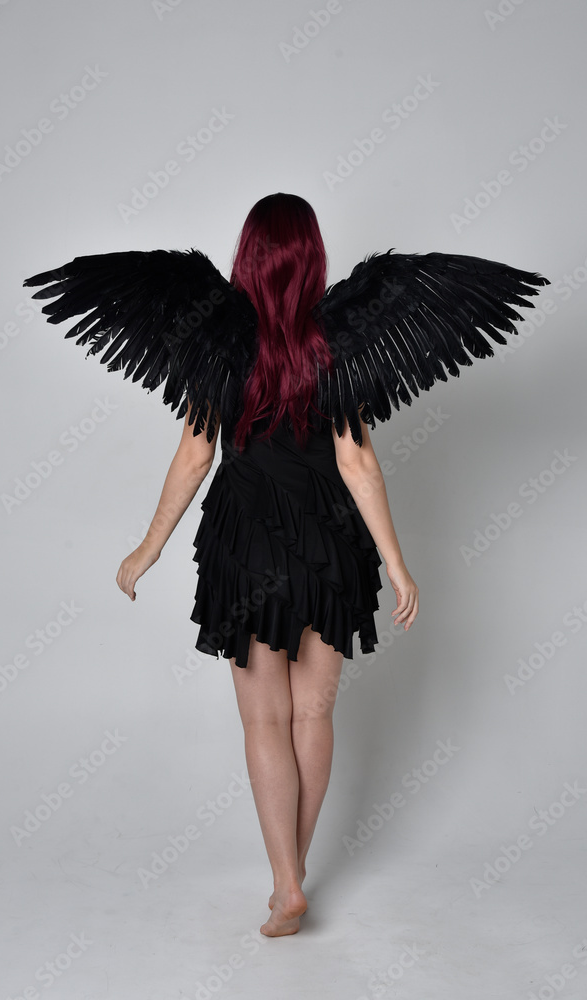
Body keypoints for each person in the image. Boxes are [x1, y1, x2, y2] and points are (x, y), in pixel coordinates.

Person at [114, 193, 419, 937]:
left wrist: (147, 547)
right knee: (314, 714)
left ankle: (285, 883)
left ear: (247, 257)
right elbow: (357, 463)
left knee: (265, 721)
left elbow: (195, 456)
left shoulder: (219, 345)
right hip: (329, 545)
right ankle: (294, 877)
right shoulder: (338, 345)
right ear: (312, 257)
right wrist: (396, 564)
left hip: (246, 545)